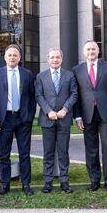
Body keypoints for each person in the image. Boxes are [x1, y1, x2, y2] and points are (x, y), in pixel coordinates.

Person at [0, 44, 36, 196]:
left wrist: (29, 116)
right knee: (4, 154)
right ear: (5, 57)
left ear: (20, 58)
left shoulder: (27, 74)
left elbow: (33, 98)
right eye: (9, 55)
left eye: (15, 55)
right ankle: (5, 184)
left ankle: (26, 184)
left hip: (23, 119)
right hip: (4, 119)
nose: (12, 57)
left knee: (24, 153)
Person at [73, 40, 107, 192]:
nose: (91, 52)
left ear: (98, 51)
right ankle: (94, 180)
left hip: (106, 114)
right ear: (83, 52)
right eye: (88, 49)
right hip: (87, 115)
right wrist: (78, 116)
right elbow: (77, 96)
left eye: (93, 49)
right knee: (91, 149)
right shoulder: (77, 70)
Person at [35, 48, 78, 194]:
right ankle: (48, 182)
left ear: (62, 58)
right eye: (52, 57)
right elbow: (39, 96)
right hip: (47, 120)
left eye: (57, 57)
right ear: (48, 59)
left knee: (63, 151)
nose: (55, 60)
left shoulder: (69, 75)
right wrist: (49, 111)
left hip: (64, 119)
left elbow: (74, 94)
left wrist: (65, 110)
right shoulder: (41, 76)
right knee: (48, 152)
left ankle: (64, 181)